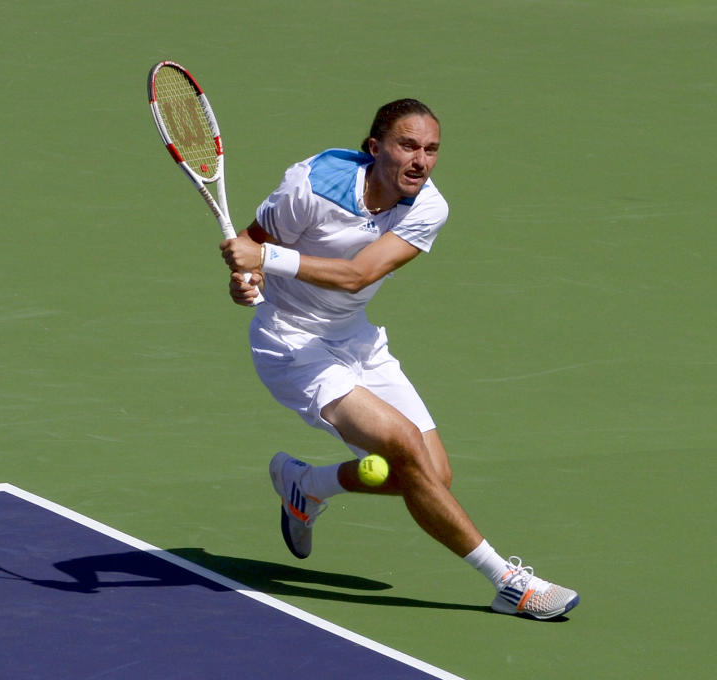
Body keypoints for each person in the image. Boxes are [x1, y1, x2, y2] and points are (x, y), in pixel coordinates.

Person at [219, 99, 579, 620]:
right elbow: (253, 244)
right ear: (374, 148)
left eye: (431, 149)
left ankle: (307, 486)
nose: (421, 160)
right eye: (408, 146)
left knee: (432, 475)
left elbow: (359, 275)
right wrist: (245, 280)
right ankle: (508, 582)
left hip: (357, 340)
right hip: (292, 344)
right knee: (405, 447)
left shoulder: (429, 207)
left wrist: (266, 261)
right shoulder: (309, 185)